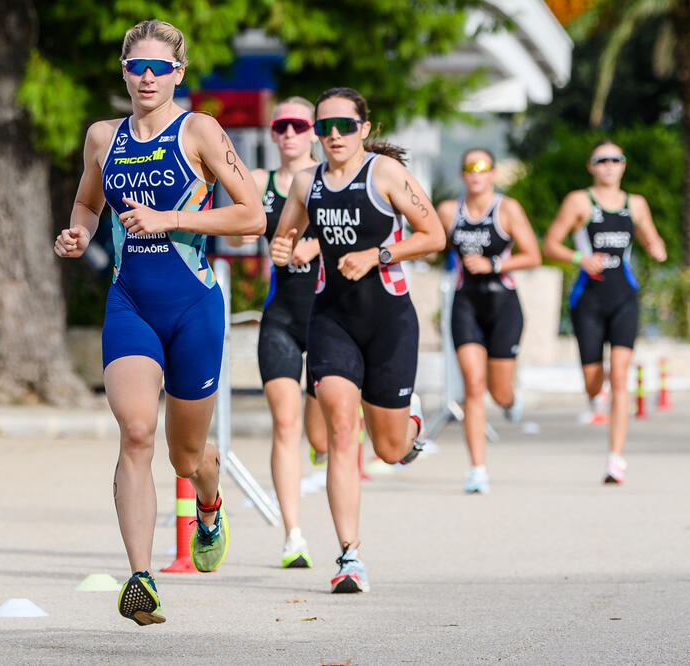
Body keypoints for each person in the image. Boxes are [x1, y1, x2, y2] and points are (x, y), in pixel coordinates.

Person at [54, 19, 265, 625]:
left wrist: (171, 220)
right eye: (136, 67)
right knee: (137, 432)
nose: (147, 78)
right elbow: (89, 203)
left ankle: (209, 502)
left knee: (186, 454)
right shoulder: (102, 137)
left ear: (178, 73)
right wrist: (79, 234)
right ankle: (141, 577)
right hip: (131, 305)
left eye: (159, 68)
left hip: (193, 307)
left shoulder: (198, 130)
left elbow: (251, 214)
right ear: (123, 71)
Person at [270, 87, 446, 593]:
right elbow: (285, 239)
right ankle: (350, 557)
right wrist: (289, 250)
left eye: (345, 125)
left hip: (390, 320)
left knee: (388, 449)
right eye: (324, 126)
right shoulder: (307, 182)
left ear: (364, 129)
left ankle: (409, 430)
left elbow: (433, 235)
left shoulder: (385, 174)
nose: (334, 135)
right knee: (341, 433)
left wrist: (377, 256)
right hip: (332, 320)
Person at [225, 97, 328, 568]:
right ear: (272, 133)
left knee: (321, 436)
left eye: (297, 125)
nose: (288, 133)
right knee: (284, 423)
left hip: (330, 316)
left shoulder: (331, 183)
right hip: (281, 315)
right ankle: (294, 536)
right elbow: (234, 232)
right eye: (280, 125)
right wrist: (240, 233)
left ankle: (324, 438)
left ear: (313, 132)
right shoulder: (260, 184)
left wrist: (313, 246)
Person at [543, 139, 666, 485]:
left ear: (624, 165)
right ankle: (597, 396)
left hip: (624, 296)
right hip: (589, 300)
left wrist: (656, 248)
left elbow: (651, 239)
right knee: (594, 383)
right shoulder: (579, 201)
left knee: (621, 375)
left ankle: (616, 460)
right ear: (591, 166)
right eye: (602, 160)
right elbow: (550, 243)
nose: (609, 165)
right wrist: (580, 258)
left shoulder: (636, 204)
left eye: (616, 159)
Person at [437, 149, 541, 494]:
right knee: (473, 385)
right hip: (466, 304)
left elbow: (532, 255)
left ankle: (511, 401)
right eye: (469, 167)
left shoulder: (507, 209)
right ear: (462, 174)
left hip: (503, 305)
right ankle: (477, 470)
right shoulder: (450, 211)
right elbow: (429, 243)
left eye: (483, 168)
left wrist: (493, 265)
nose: (476, 174)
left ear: (493, 174)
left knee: (498, 390)